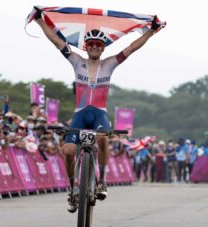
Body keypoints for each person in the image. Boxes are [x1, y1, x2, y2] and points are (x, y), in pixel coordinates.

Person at [33, 7, 162, 212]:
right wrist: (40, 21)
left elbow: (132, 47)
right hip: (80, 114)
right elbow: (57, 41)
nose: (94, 47)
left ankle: (102, 180)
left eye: (98, 45)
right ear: (86, 47)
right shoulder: (77, 62)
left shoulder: (110, 64)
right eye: (91, 44)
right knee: (68, 151)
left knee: (102, 138)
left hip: (99, 114)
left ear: (102, 49)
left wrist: (151, 31)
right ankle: (73, 188)